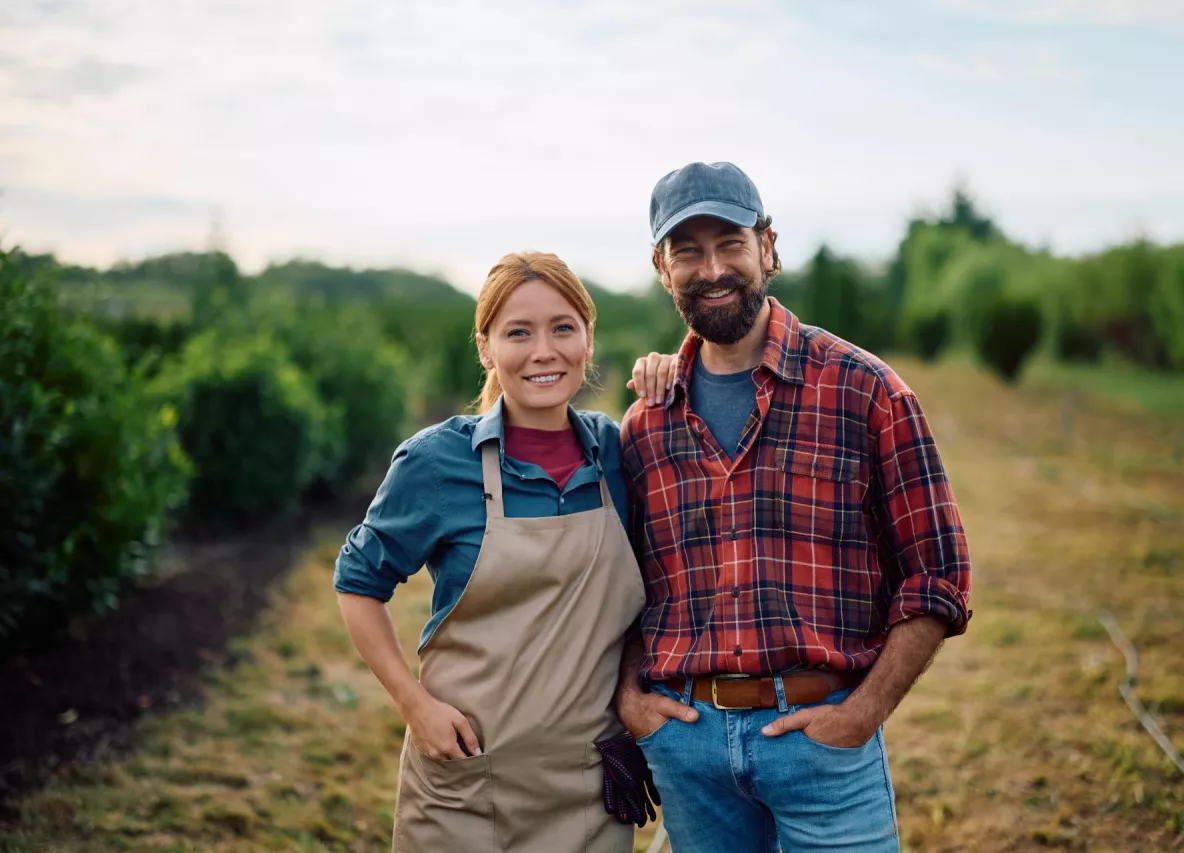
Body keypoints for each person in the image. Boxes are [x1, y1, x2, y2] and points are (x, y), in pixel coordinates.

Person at [618, 162, 973, 852]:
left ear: (769, 247)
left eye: (731, 242)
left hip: (823, 741)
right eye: (686, 250)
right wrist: (631, 700)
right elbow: (625, 587)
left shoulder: (866, 392)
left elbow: (938, 576)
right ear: (662, 269)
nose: (712, 266)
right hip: (687, 751)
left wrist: (863, 711)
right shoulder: (645, 426)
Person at [333, 251, 674, 852]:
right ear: (486, 348)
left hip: (589, 790)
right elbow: (357, 584)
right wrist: (415, 706)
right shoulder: (439, 463)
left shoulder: (621, 454)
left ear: (588, 340)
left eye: (563, 327)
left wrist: (676, 375)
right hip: (468, 783)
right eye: (518, 332)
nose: (544, 351)